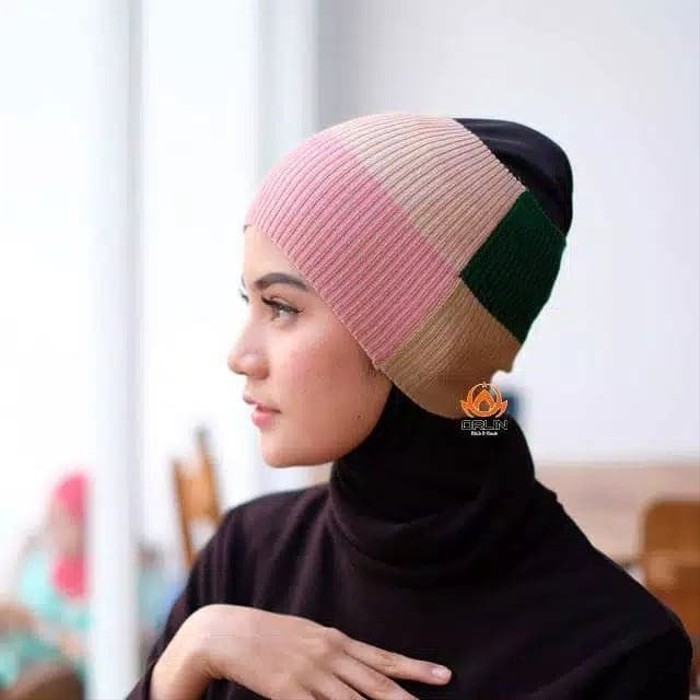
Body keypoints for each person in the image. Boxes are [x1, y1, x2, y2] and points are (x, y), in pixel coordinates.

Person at [127, 112, 692, 699]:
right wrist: (191, 655)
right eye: (248, 301)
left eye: (282, 307)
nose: (239, 356)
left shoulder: (615, 653)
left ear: (417, 341)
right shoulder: (247, 560)